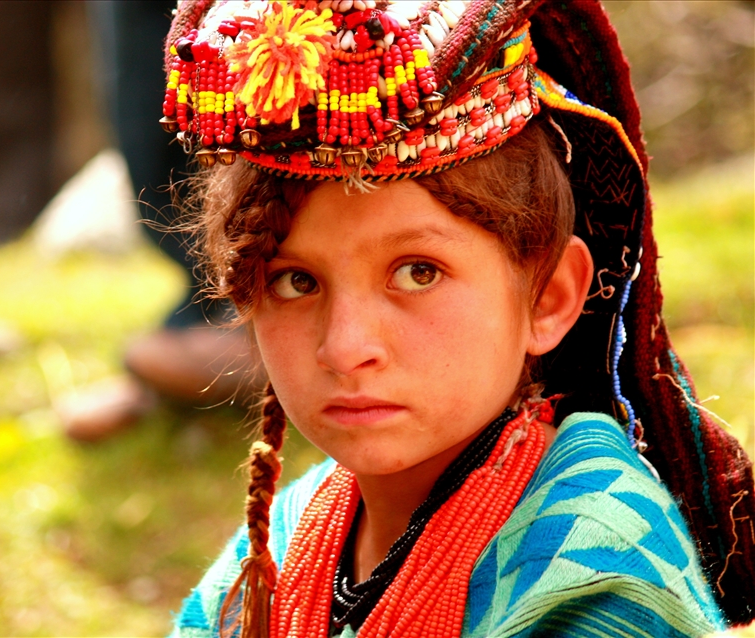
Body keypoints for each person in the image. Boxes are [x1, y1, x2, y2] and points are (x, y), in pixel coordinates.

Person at [160, 1, 755, 636]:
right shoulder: (284, 540)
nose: (346, 347)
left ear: (548, 298)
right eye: (295, 281)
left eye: (418, 272)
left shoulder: (595, 558)